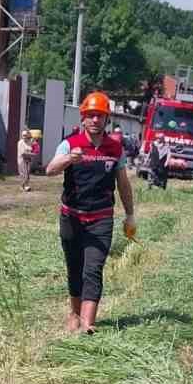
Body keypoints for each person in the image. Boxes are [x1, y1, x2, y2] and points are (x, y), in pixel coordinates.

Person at [45, 91, 136, 334]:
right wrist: (68, 160)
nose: (96, 120)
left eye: (100, 116)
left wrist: (130, 214)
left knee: (93, 269)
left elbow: (123, 184)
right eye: (91, 116)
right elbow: (50, 170)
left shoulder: (115, 148)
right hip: (72, 217)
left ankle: (88, 324)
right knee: (74, 268)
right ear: (83, 118)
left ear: (107, 119)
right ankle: (74, 314)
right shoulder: (70, 144)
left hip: (101, 219)